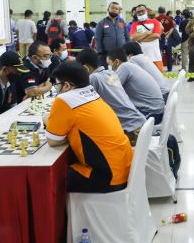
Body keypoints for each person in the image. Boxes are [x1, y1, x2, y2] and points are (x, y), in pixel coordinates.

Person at [45, 61, 133, 193]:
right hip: (124, 169)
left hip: (107, 177)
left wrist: (46, 119)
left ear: (67, 85)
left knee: (49, 179)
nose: (57, 89)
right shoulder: (94, 95)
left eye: (57, 85)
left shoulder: (64, 99)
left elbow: (53, 141)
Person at [76, 49, 146, 146]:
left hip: (130, 132)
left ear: (85, 68)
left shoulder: (93, 78)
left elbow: (83, 105)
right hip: (140, 123)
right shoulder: (111, 73)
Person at [107, 48, 165, 123]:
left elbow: (110, 88)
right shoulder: (130, 66)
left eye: (109, 64)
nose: (109, 67)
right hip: (155, 110)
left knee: (113, 120)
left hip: (151, 114)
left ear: (117, 62)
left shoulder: (124, 67)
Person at [130, 4, 164, 72]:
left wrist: (139, 38)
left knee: (159, 79)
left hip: (155, 57)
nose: (140, 13)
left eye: (142, 10)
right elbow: (132, 38)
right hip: (141, 58)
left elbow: (156, 35)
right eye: (138, 12)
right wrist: (147, 33)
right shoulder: (134, 24)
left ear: (147, 11)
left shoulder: (155, 22)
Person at [95, 2, 130, 66]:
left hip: (121, 53)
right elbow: (98, 38)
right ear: (108, 9)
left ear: (119, 11)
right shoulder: (101, 23)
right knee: (108, 72)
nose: (114, 10)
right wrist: (100, 52)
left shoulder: (122, 22)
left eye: (116, 9)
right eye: (112, 8)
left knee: (121, 71)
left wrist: (128, 49)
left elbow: (126, 36)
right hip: (107, 54)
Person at [155, 7, 176, 72]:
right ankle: (169, 68)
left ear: (158, 12)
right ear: (165, 11)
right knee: (169, 54)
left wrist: (161, 33)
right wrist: (168, 34)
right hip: (167, 39)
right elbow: (172, 27)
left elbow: (155, 29)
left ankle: (159, 68)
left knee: (159, 54)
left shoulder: (156, 19)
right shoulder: (169, 18)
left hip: (159, 38)